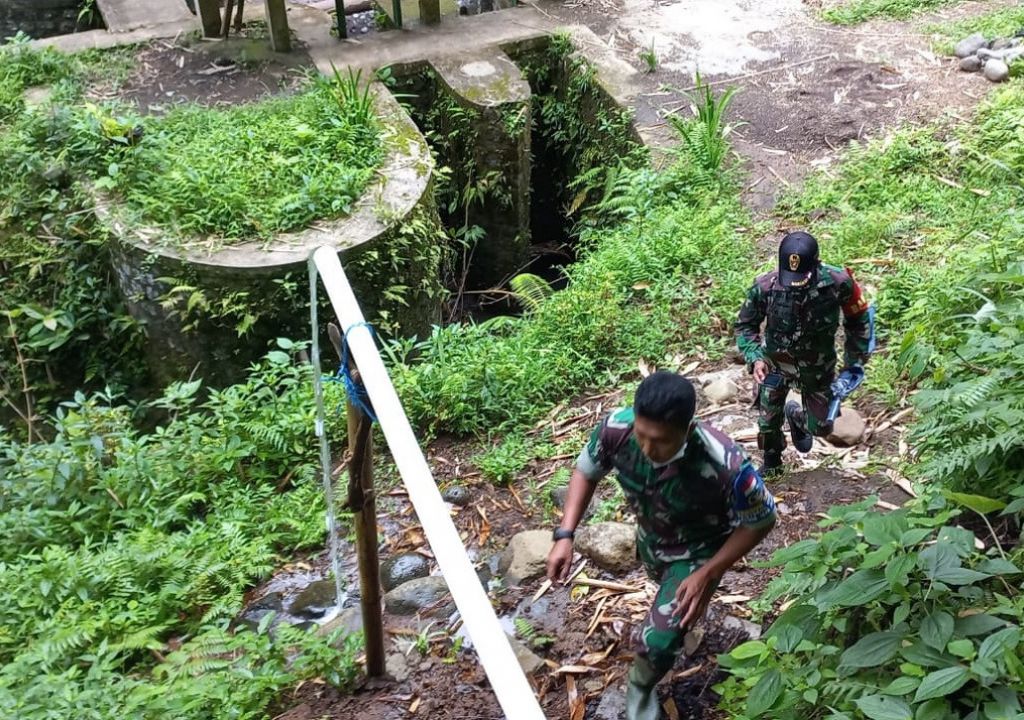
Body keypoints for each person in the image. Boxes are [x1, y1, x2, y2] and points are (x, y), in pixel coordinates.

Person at [545, 372, 777, 720]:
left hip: (700, 552)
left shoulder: (724, 461)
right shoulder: (616, 429)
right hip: (651, 540)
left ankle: (641, 689)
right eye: (642, 435)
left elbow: (762, 519)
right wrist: (565, 535)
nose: (649, 448)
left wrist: (709, 572)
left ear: (687, 429)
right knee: (668, 601)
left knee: (659, 639)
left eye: (662, 440)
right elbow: (585, 472)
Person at [735, 230, 873, 475]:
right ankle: (772, 464)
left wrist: (854, 363)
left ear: (816, 263)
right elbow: (745, 326)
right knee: (767, 424)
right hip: (774, 363)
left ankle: (797, 417)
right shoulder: (765, 287)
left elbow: (859, 319)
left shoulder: (838, 283)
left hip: (817, 366)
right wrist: (754, 356)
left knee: (821, 427)